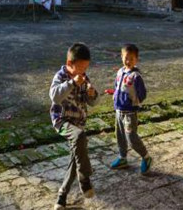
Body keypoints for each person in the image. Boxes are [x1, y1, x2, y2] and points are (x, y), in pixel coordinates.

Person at [50, 42, 99, 209]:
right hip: (62, 121)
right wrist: (72, 83)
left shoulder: (84, 78)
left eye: (86, 68)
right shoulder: (61, 76)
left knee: (75, 156)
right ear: (69, 63)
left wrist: (93, 95)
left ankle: (62, 196)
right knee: (79, 138)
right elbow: (55, 96)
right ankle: (84, 178)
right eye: (80, 68)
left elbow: (92, 102)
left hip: (79, 123)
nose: (83, 72)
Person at [109, 43, 152, 173]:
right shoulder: (120, 72)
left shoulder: (136, 77)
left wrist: (131, 101)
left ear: (136, 59)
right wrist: (115, 94)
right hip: (118, 111)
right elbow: (118, 86)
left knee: (131, 138)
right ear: (121, 57)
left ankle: (146, 157)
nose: (128, 61)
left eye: (131, 59)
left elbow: (142, 94)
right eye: (125, 58)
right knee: (120, 135)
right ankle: (122, 158)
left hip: (130, 113)